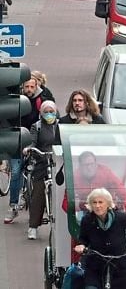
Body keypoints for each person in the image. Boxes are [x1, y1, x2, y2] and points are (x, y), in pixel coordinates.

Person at [5, 74, 54, 224]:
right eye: (26, 87)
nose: (29, 89)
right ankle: (14, 206)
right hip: (18, 141)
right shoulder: (15, 101)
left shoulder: (43, 98)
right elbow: (7, 118)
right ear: (22, 87)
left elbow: (51, 113)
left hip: (35, 140)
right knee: (15, 172)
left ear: (37, 86)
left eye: (32, 86)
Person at [74, 188, 126, 289]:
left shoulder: (121, 217)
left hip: (120, 262)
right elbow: (83, 238)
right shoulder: (87, 220)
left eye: (100, 202)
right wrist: (81, 245)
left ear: (108, 204)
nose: (97, 206)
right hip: (96, 263)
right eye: (94, 202)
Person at [24, 100, 61, 240]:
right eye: (46, 111)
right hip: (42, 163)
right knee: (38, 193)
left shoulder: (60, 125)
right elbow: (32, 142)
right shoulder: (37, 126)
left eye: (52, 111)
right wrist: (29, 148)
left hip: (58, 163)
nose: (49, 114)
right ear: (41, 113)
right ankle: (33, 226)